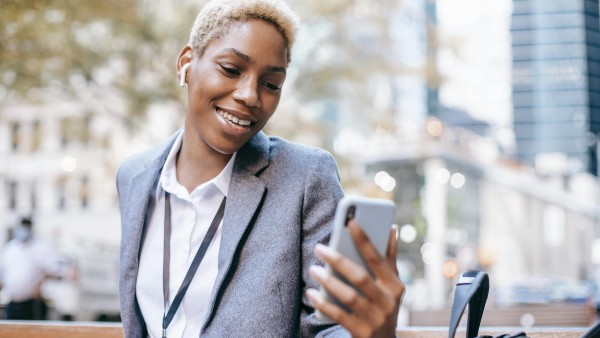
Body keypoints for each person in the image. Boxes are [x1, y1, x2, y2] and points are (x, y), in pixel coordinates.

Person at [116, 0, 405, 337]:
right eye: (231, 69)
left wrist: (374, 334)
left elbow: (332, 326)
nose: (250, 95)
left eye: (271, 84)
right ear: (186, 64)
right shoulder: (134, 176)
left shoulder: (306, 176)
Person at [0, 217, 66, 320]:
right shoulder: (10, 248)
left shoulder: (41, 247)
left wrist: (41, 282)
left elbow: (56, 270)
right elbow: (4, 273)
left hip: (32, 303)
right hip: (12, 302)